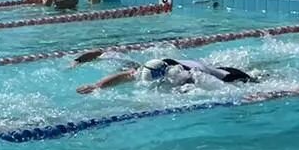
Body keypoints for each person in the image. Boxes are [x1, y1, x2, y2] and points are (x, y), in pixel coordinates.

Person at [77, 56, 255, 95]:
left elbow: (219, 90)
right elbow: (124, 76)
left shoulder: (187, 76)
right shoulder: (153, 67)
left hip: (230, 76)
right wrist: (96, 86)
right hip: (216, 69)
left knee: (256, 81)